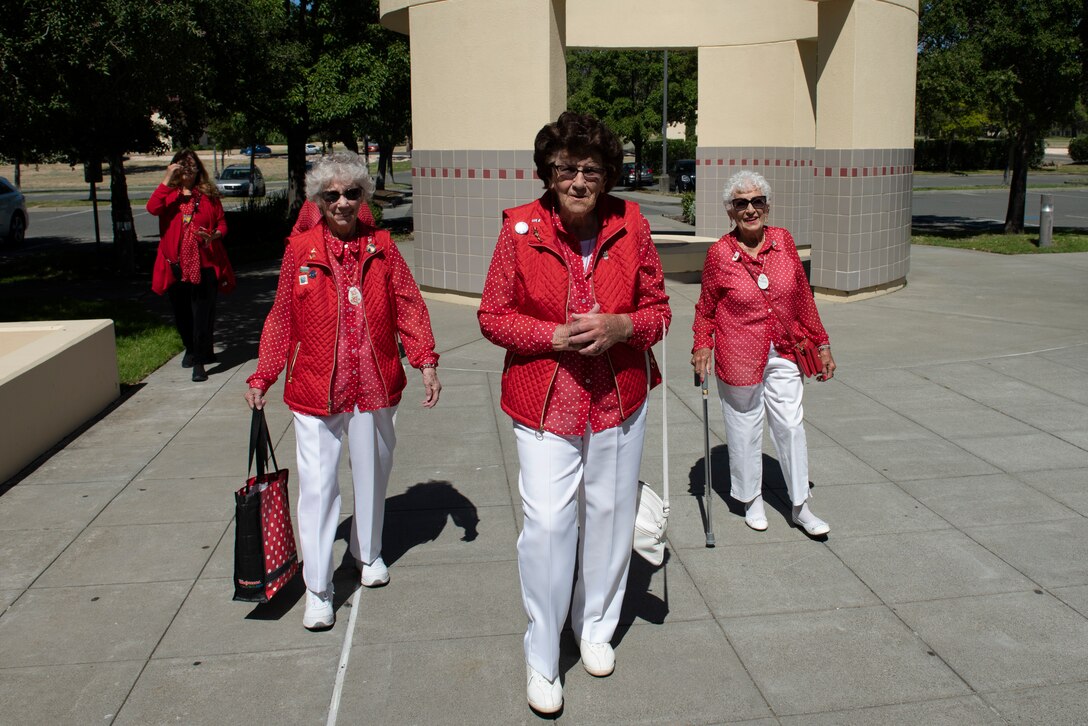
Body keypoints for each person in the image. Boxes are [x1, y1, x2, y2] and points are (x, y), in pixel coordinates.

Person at [478, 111, 671, 715]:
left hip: (618, 398)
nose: (579, 181)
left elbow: (660, 309)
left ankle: (595, 625)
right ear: (548, 173)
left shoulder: (631, 224)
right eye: (567, 169)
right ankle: (542, 654)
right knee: (548, 526)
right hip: (544, 401)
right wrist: (550, 337)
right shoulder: (519, 231)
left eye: (591, 170)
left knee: (611, 517)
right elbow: (492, 316)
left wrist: (622, 326)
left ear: (608, 174)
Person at [245, 151, 442, 631]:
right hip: (316, 386)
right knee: (317, 487)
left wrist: (426, 361)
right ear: (317, 200)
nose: (342, 202)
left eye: (352, 193)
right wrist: (263, 374)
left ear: (363, 197)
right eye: (331, 195)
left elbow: (408, 304)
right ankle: (318, 589)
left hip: (375, 382)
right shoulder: (301, 250)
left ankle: (367, 554)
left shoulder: (382, 246)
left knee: (373, 472)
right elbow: (281, 317)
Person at [691, 170, 836, 537]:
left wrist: (822, 343)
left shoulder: (784, 241)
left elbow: (803, 297)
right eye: (742, 203)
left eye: (757, 201)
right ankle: (750, 496)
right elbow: (706, 308)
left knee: (790, 424)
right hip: (737, 353)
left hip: (785, 349)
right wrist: (701, 346)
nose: (751, 209)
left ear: (767, 206)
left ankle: (800, 504)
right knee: (744, 427)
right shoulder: (719, 254)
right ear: (731, 211)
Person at [148, 149, 235, 382]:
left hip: (205, 263)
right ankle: (191, 347)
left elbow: (222, 224)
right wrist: (167, 179)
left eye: (192, 165)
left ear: (198, 169)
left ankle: (199, 361)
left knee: (202, 315)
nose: (188, 169)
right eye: (182, 165)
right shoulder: (168, 195)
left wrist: (213, 235)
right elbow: (152, 208)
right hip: (175, 265)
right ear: (174, 167)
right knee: (182, 314)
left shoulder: (207, 195)